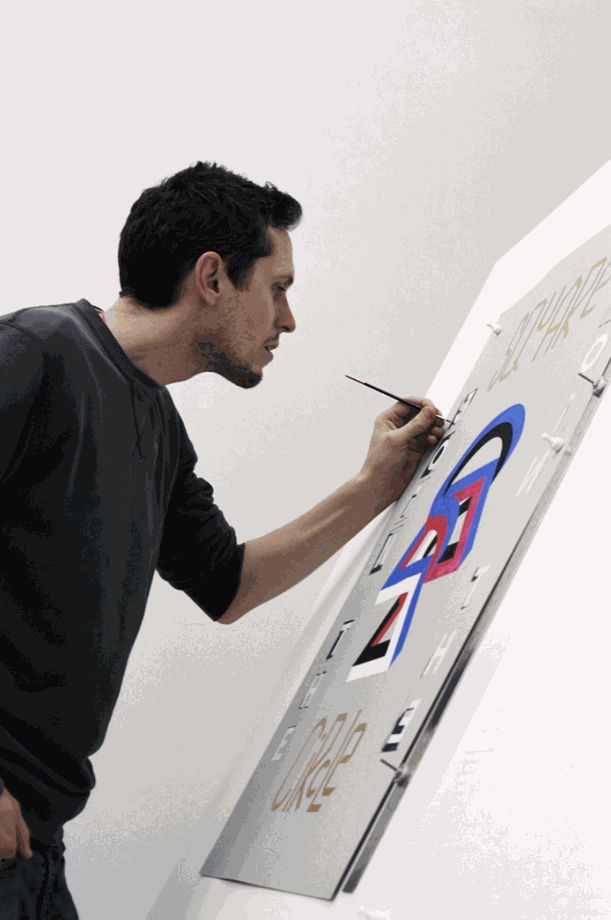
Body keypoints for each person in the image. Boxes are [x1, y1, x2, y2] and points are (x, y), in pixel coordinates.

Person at [0, 161, 443, 917]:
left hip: (37, 846)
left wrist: (374, 486)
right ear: (212, 277)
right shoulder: (38, 351)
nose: (288, 320)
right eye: (278, 287)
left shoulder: (158, 427)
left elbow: (229, 585)